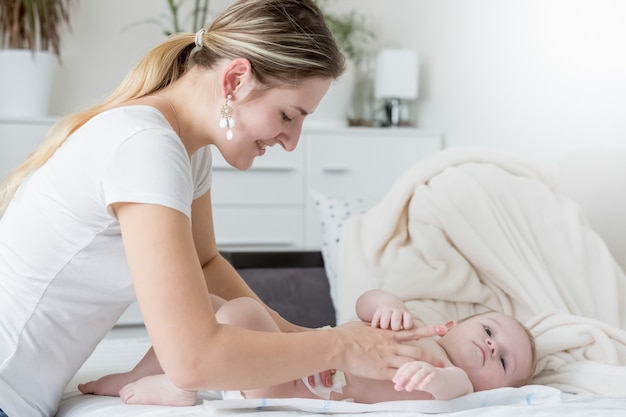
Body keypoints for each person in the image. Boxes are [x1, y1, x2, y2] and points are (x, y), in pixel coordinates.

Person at [0, 2, 445, 416]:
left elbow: (206, 262)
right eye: (289, 116)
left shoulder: (183, 150)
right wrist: (339, 346)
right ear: (234, 81)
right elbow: (193, 360)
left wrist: (304, 337)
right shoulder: (146, 147)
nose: (292, 142)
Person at [84, 289, 537, 405]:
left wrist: (437, 378)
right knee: (200, 304)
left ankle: (185, 384)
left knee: (239, 313)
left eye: (502, 361)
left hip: (284, 384)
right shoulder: (412, 323)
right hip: (289, 351)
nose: (489, 348)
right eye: (490, 332)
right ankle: (139, 372)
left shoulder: (454, 380)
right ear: (458, 322)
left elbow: (451, 388)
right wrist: (387, 303)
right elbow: (363, 302)